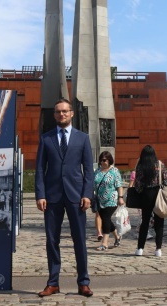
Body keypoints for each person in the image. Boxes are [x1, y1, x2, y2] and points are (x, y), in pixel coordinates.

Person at [35, 98, 94, 298]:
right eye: (58, 111)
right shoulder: (46, 138)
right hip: (51, 197)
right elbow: (39, 169)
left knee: (80, 241)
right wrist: (40, 194)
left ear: (72, 113)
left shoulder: (83, 138)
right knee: (52, 241)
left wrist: (87, 194)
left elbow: (88, 170)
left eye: (65, 111)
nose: (62, 114)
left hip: (76, 197)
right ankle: (53, 283)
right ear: (54, 115)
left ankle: (83, 282)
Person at [131, 145, 167, 257]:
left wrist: (141, 190)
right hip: (158, 194)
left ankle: (140, 248)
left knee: (145, 222)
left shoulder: (141, 166)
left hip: (145, 195)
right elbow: (166, 181)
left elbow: (137, 184)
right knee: (159, 222)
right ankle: (158, 249)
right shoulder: (160, 165)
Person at [93, 150, 124, 251]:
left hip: (112, 199)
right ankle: (117, 237)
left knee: (105, 218)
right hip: (100, 200)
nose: (102, 162)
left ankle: (105, 243)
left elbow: (119, 186)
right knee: (107, 220)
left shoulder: (114, 171)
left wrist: (120, 198)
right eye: (101, 160)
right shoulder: (97, 171)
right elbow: (92, 184)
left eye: (104, 160)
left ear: (109, 160)